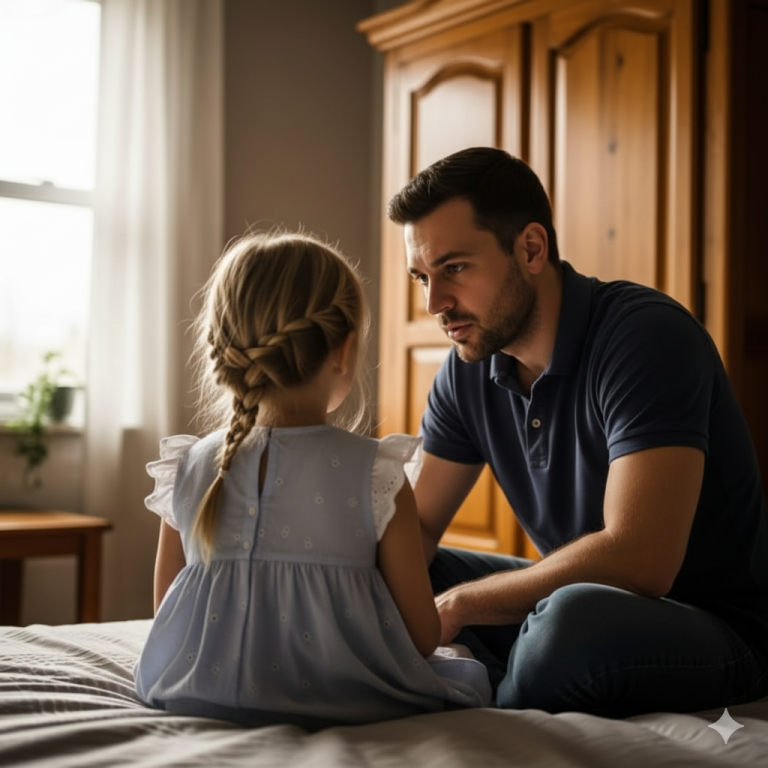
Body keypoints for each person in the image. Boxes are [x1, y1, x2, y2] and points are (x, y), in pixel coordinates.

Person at [386, 146, 768, 718]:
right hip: (577, 607)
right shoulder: (468, 371)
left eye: (455, 268)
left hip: (719, 629)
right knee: (405, 572)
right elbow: (416, 526)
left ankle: (496, 708)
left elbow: (641, 560)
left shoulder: (644, 337)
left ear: (531, 248)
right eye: (422, 276)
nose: (435, 303)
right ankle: (506, 681)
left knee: (565, 624)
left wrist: (463, 605)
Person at [134, 231, 491, 729]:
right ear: (343, 351)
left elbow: (166, 617)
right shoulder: (378, 473)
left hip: (192, 693)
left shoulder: (190, 467)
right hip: (351, 702)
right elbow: (419, 636)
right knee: (471, 672)